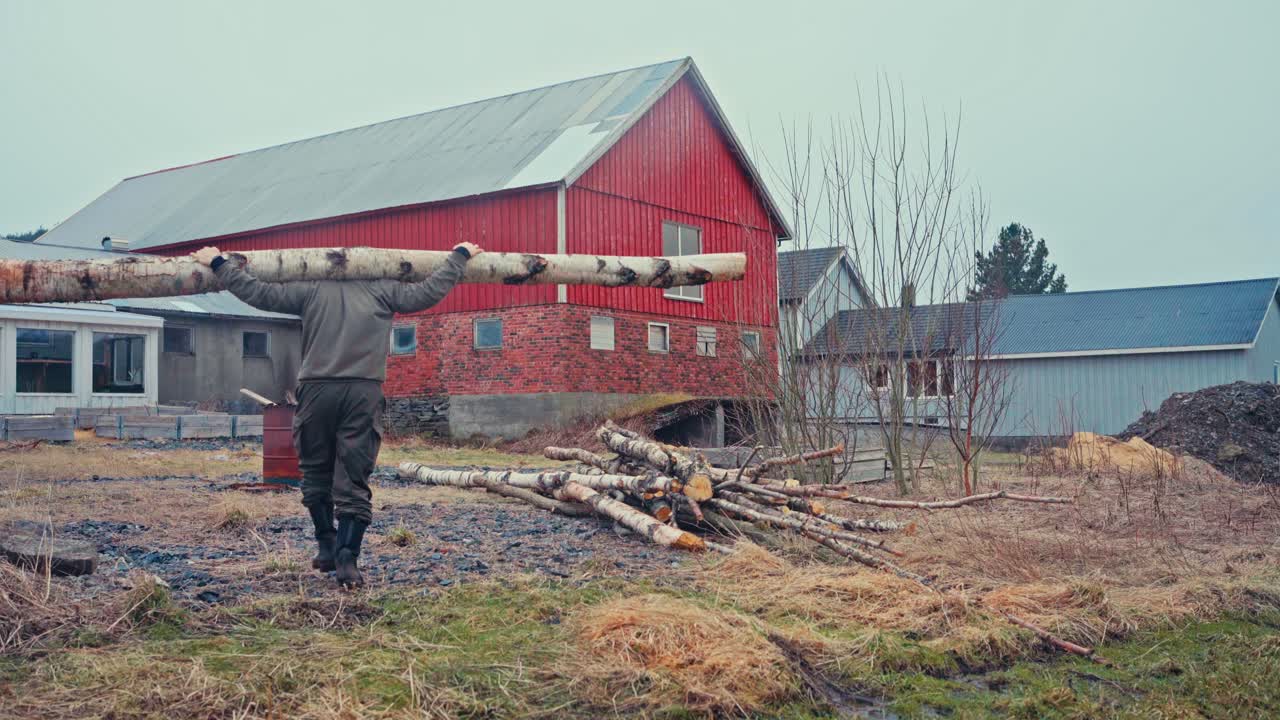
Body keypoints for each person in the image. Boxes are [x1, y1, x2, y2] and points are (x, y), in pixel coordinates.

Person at [193, 243, 482, 587]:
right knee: (353, 475)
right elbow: (428, 292)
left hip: (317, 389)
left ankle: (326, 542)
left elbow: (258, 293)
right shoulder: (383, 288)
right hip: (363, 390)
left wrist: (218, 264)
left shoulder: (311, 287)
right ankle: (347, 559)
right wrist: (459, 257)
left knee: (315, 470)